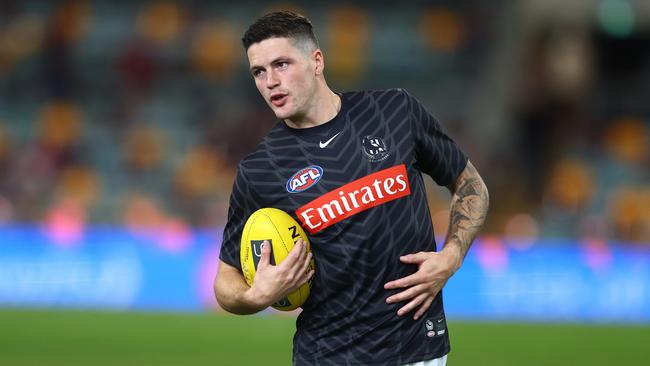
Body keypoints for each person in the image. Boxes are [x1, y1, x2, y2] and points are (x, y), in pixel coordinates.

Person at [214, 11, 489, 366]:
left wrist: (451, 257)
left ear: (317, 61)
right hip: (328, 356)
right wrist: (255, 296)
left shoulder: (394, 111)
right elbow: (225, 280)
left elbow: (471, 186)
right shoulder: (260, 170)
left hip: (419, 351)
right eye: (259, 72)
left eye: (281, 64)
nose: (270, 81)